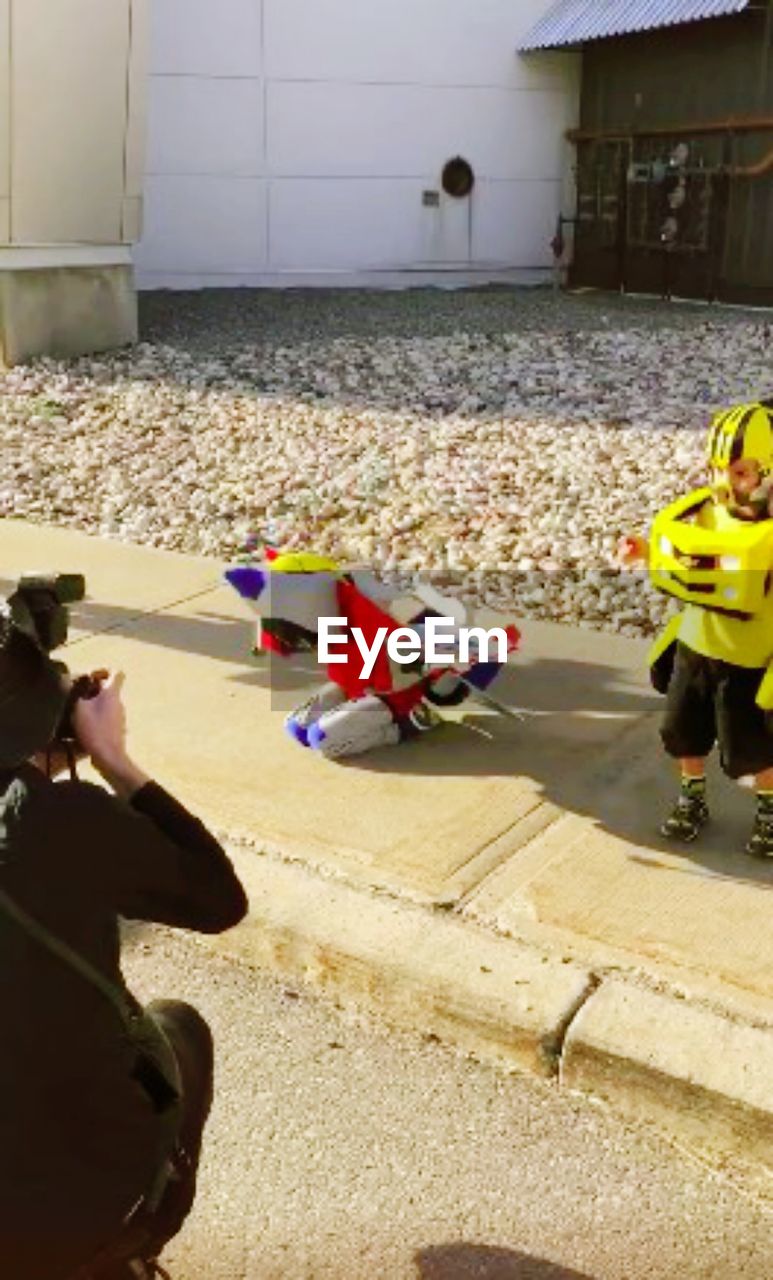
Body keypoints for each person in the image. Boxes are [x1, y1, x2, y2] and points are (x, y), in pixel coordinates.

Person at [0, 608, 248, 1279]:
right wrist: (112, 760)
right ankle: (130, 1240)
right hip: (58, 1222)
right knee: (178, 1029)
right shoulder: (58, 824)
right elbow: (219, 900)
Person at [619, 400, 773, 857]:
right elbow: (689, 559)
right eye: (719, 470)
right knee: (680, 731)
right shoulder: (707, 513)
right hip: (696, 644)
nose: (727, 483)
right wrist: (644, 552)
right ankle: (693, 798)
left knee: (750, 747)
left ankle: (768, 807)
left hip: (748, 657)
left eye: (743, 473)